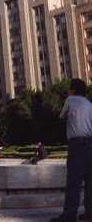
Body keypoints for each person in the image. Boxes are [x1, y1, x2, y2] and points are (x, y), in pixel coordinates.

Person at [51, 78, 92, 222]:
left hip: (77, 144)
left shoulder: (70, 100)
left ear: (73, 90)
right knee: (90, 181)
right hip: (90, 143)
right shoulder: (89, 103)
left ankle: (69, 214)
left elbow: (62, 117)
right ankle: (89, 212)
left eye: (69, 89)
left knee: (74, 180)